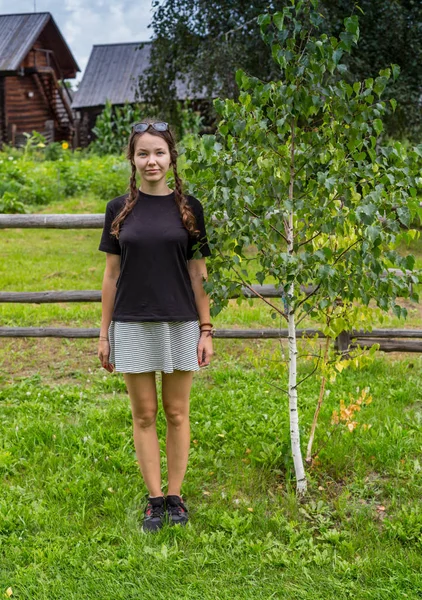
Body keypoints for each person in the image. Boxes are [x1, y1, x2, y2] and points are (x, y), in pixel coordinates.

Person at [97, 119, 214, 533]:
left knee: (177, 412)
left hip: (181, 323)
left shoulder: (190, 208)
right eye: (143, 153)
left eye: (159, 152)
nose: (152, 161)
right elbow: (111, 275)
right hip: (131, 323)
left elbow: (199, 274)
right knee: (144, 414)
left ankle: (176, 497)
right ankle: (154, 500)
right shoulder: (118, 209)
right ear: (132, 159)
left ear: (171, 158)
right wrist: (104, 333)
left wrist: (206, 328)